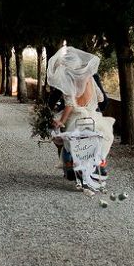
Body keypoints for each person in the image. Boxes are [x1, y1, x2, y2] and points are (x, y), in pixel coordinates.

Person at [47, 45, 115, 181]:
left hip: (74, 116)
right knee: (105, 137)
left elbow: (70, 105)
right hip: (92, 115)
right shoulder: (90, 77)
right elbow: (101, 98)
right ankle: (101, 162)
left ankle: (67, 163)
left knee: (60, 136)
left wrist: (61, 121)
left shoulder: (68, 80)